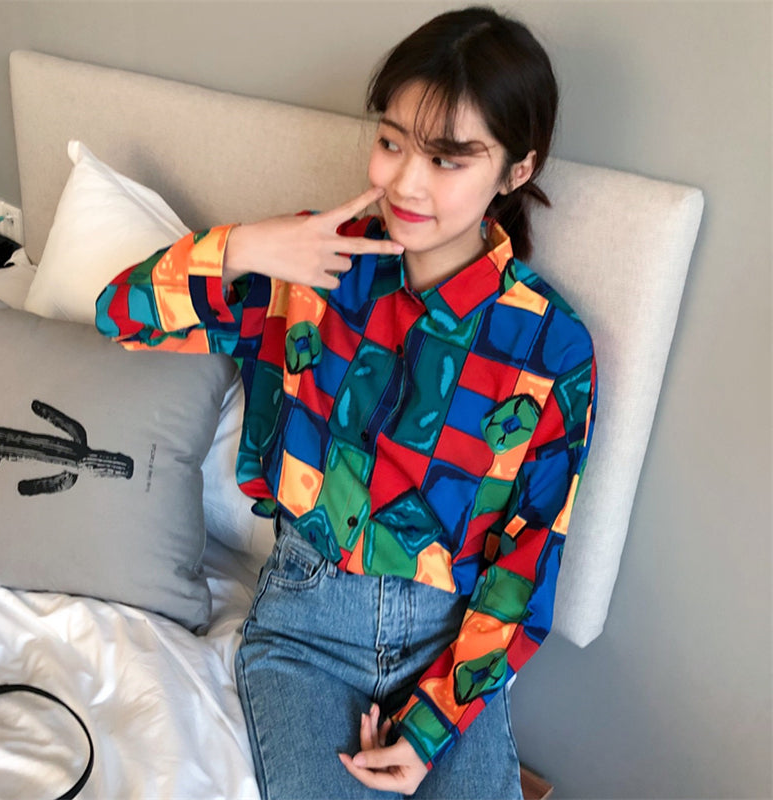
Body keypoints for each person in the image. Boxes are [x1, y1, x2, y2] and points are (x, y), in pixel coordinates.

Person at [96, 6, 597, 799]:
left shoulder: (550, 345)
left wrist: (431, 728)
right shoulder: (312, 265)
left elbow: (527, 558)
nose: (405, 182)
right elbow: (122, 317)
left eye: (447, 159)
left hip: (447, 646)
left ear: (516, 170)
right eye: (391, 142)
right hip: (305, 629)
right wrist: (247, 246)